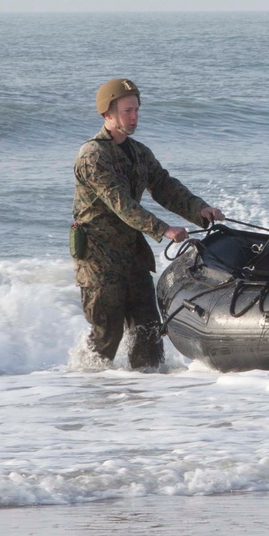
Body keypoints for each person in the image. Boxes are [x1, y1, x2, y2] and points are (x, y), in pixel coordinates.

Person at [72, 78, 225, 369]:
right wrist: (162, 229)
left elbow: (165, 186)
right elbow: (119, 203)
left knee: (149, 330)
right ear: (107, 114)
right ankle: (88, 390)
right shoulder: (93, 156)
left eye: (137, 110)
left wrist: (200, 210)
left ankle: (148, 397)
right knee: (107, 333)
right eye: (127, 111)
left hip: (132, 253)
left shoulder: (139, 152)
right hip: (98, 258)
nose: (134, 117)